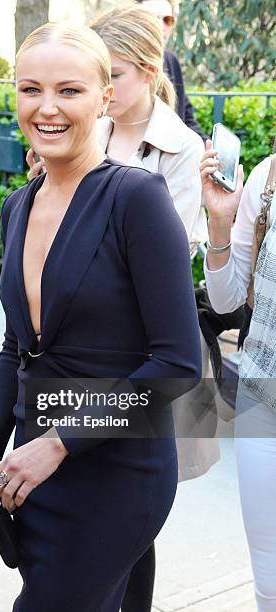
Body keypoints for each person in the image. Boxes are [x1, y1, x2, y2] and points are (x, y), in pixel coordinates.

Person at [0, 20, 202, 612]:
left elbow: (177, 364)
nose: (46, 108)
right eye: (30, 89)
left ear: (106, 96)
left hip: (116, 473)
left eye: (69, 90)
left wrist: (59, 443)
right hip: (30, 471)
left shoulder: (136, 199)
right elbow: (15, 347)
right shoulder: (18, 205)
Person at [27, 7, 218, 609]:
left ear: (139, 73)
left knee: (127, 524)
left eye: (93, 79)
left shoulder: (178, 150)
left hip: (143, 357)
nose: (54, 104)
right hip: (74, 365)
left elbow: (170, 252)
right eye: (34, 89)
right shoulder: (82, 135)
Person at [201, 141, 276, 611]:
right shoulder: (268, 178)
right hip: (264, 400)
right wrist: (220, 221)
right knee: (269, 587)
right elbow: (227, 302)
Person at [137, 0, 207, 142]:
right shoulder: (125, 65)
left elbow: (186, 117)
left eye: (167, 20)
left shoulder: (170, 60)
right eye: (153, 18)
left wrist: (207, 146)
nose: (161, 26)